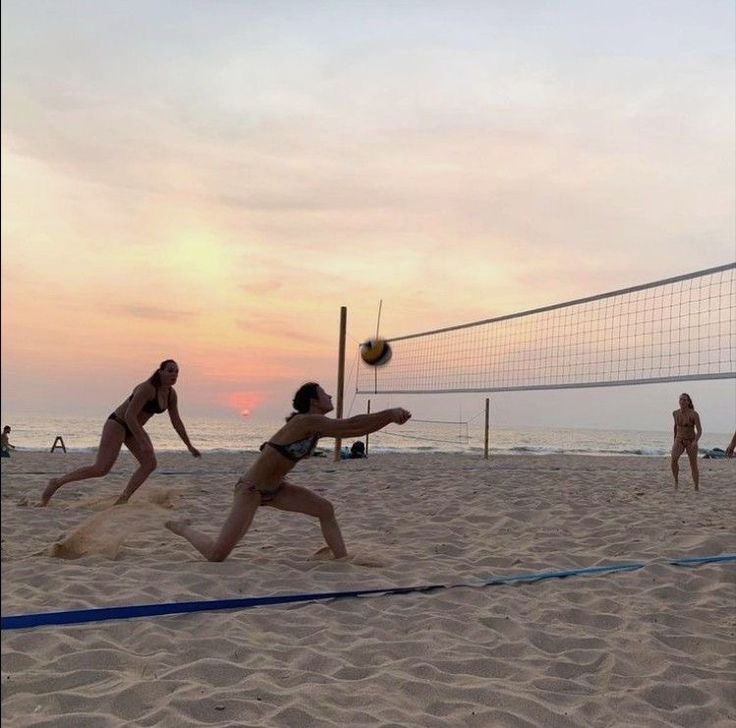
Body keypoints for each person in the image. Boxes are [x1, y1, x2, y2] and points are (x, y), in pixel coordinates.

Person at [165, 382, 411, 561]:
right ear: (314, 401)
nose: (330, 396)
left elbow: (354, 430)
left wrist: (388, 419)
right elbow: (351, 424)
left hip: (276, 490)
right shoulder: (304, 422)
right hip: (250, 490)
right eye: (325, 394)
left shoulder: (317, 428)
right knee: (216, 555)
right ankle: (182, 528)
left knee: (325, 509)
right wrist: (389, 414)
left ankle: (341, 560)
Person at [41, 360, 201, 506]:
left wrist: (189, 446)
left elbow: (176, 422)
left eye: (176, 372)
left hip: (134, 428)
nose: (174, 375)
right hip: (118, 424)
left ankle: (123, 500)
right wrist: (143, 441)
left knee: (150, 464)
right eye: (170, 371)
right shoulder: (147, 388)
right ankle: (57, 482)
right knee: (101, 469)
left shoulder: (171, 395)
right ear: (160, 372)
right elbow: (129, 415)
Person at [670, 393, 702, 490]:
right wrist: (674, 439)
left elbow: (700, 430)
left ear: (688, 402)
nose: (682, 401)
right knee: (673, 460)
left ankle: (696, 487)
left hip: (691, 441)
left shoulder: (694, 414)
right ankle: (676, 481)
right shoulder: (675, 413)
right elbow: (675, 426)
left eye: (684, 400)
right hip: (679, 439)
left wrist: (695, 441)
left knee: (693, 465)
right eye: (681, 399)